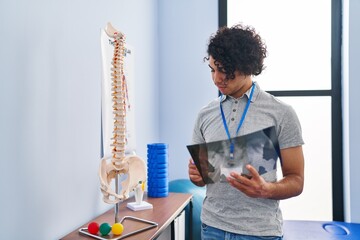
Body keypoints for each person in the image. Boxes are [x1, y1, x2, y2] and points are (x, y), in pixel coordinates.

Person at [188, 23, 304, 240]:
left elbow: (296, 180)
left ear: (246, 67)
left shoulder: (281, 113)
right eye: (213, 69)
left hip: (260, 232)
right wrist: (196, 176)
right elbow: (202, 180)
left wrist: (266, 189)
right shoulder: (205, 114)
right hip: (211, 228)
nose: (216, 79)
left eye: (225, 71)